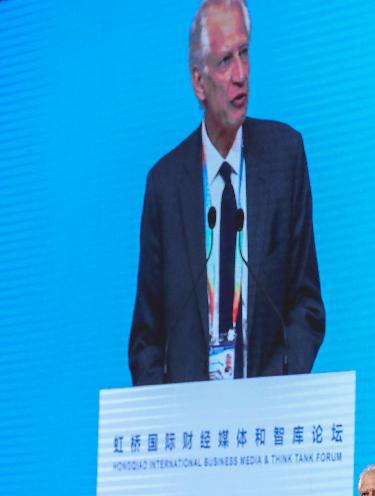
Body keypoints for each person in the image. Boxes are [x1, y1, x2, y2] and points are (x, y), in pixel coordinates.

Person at [129, 0, 325, 385]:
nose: (241, 75)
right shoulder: (164, 185)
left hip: (269, 407)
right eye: (224, 61)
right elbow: (146, 339)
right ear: (198, 83)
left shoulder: (285, 157)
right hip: (190, 415)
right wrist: (169, 406)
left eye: (244, 53)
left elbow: (306, 304)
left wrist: (283, 384)